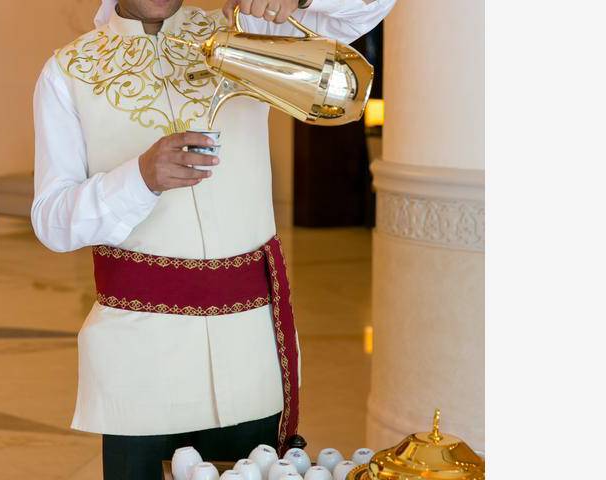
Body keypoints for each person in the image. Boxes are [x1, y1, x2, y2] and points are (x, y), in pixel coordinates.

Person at [32, 0, 395, 478]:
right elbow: (52, 220)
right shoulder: (68, 72)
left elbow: (367, 9)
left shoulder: (246, 30)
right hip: (138, 366)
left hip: (249, 354)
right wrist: (139, 179)